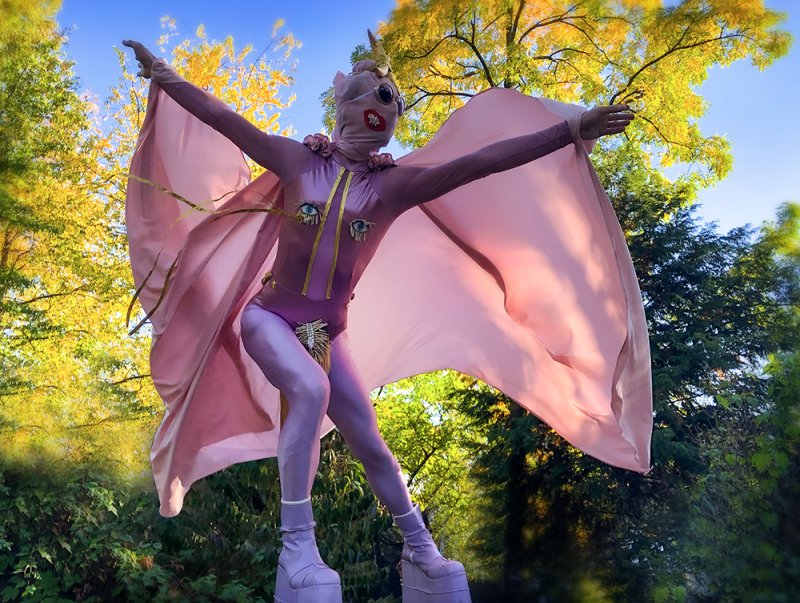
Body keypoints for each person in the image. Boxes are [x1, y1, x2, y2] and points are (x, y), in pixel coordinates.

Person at [123, 30, 643, 603]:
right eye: (371, 95)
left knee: (370, 441)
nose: (382, 105)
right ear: (343, 107)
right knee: (308, 388)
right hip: (269, 318)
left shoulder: (397, 186)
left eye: (391, 99)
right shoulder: (299, 160)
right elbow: (228, 121)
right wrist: (164, 75)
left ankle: (419, 547)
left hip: (330, 333)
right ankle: (297, 544)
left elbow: (486, 161)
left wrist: (571, 129)